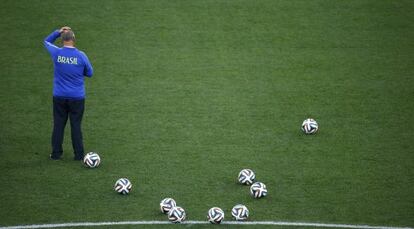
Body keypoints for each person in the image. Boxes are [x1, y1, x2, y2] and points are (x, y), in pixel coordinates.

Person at [44, 26, 93, 160]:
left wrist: (57, 32)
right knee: (76, 126)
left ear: (62, 39)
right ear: (73, 39)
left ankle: (55, 154)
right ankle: (78, 155)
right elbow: (90, 73)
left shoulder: (57, 53)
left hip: (59, 96)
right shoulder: (81, 55)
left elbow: (46, 41)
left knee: (58, 125)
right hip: (77, 97)